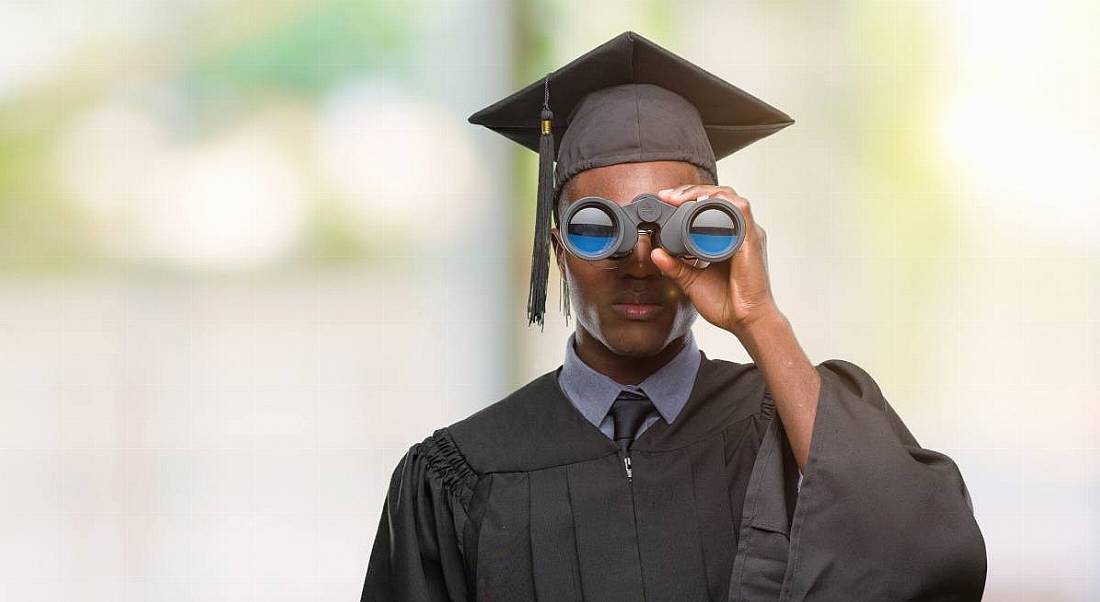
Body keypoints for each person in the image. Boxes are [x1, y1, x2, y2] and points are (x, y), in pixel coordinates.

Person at [362, 31, 986, 601]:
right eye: (596, 228)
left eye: (678, 229)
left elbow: (927, 566)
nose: (639, 260)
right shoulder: (459, 474)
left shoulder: (792, 428)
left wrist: (758, 317)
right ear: (558, 250)